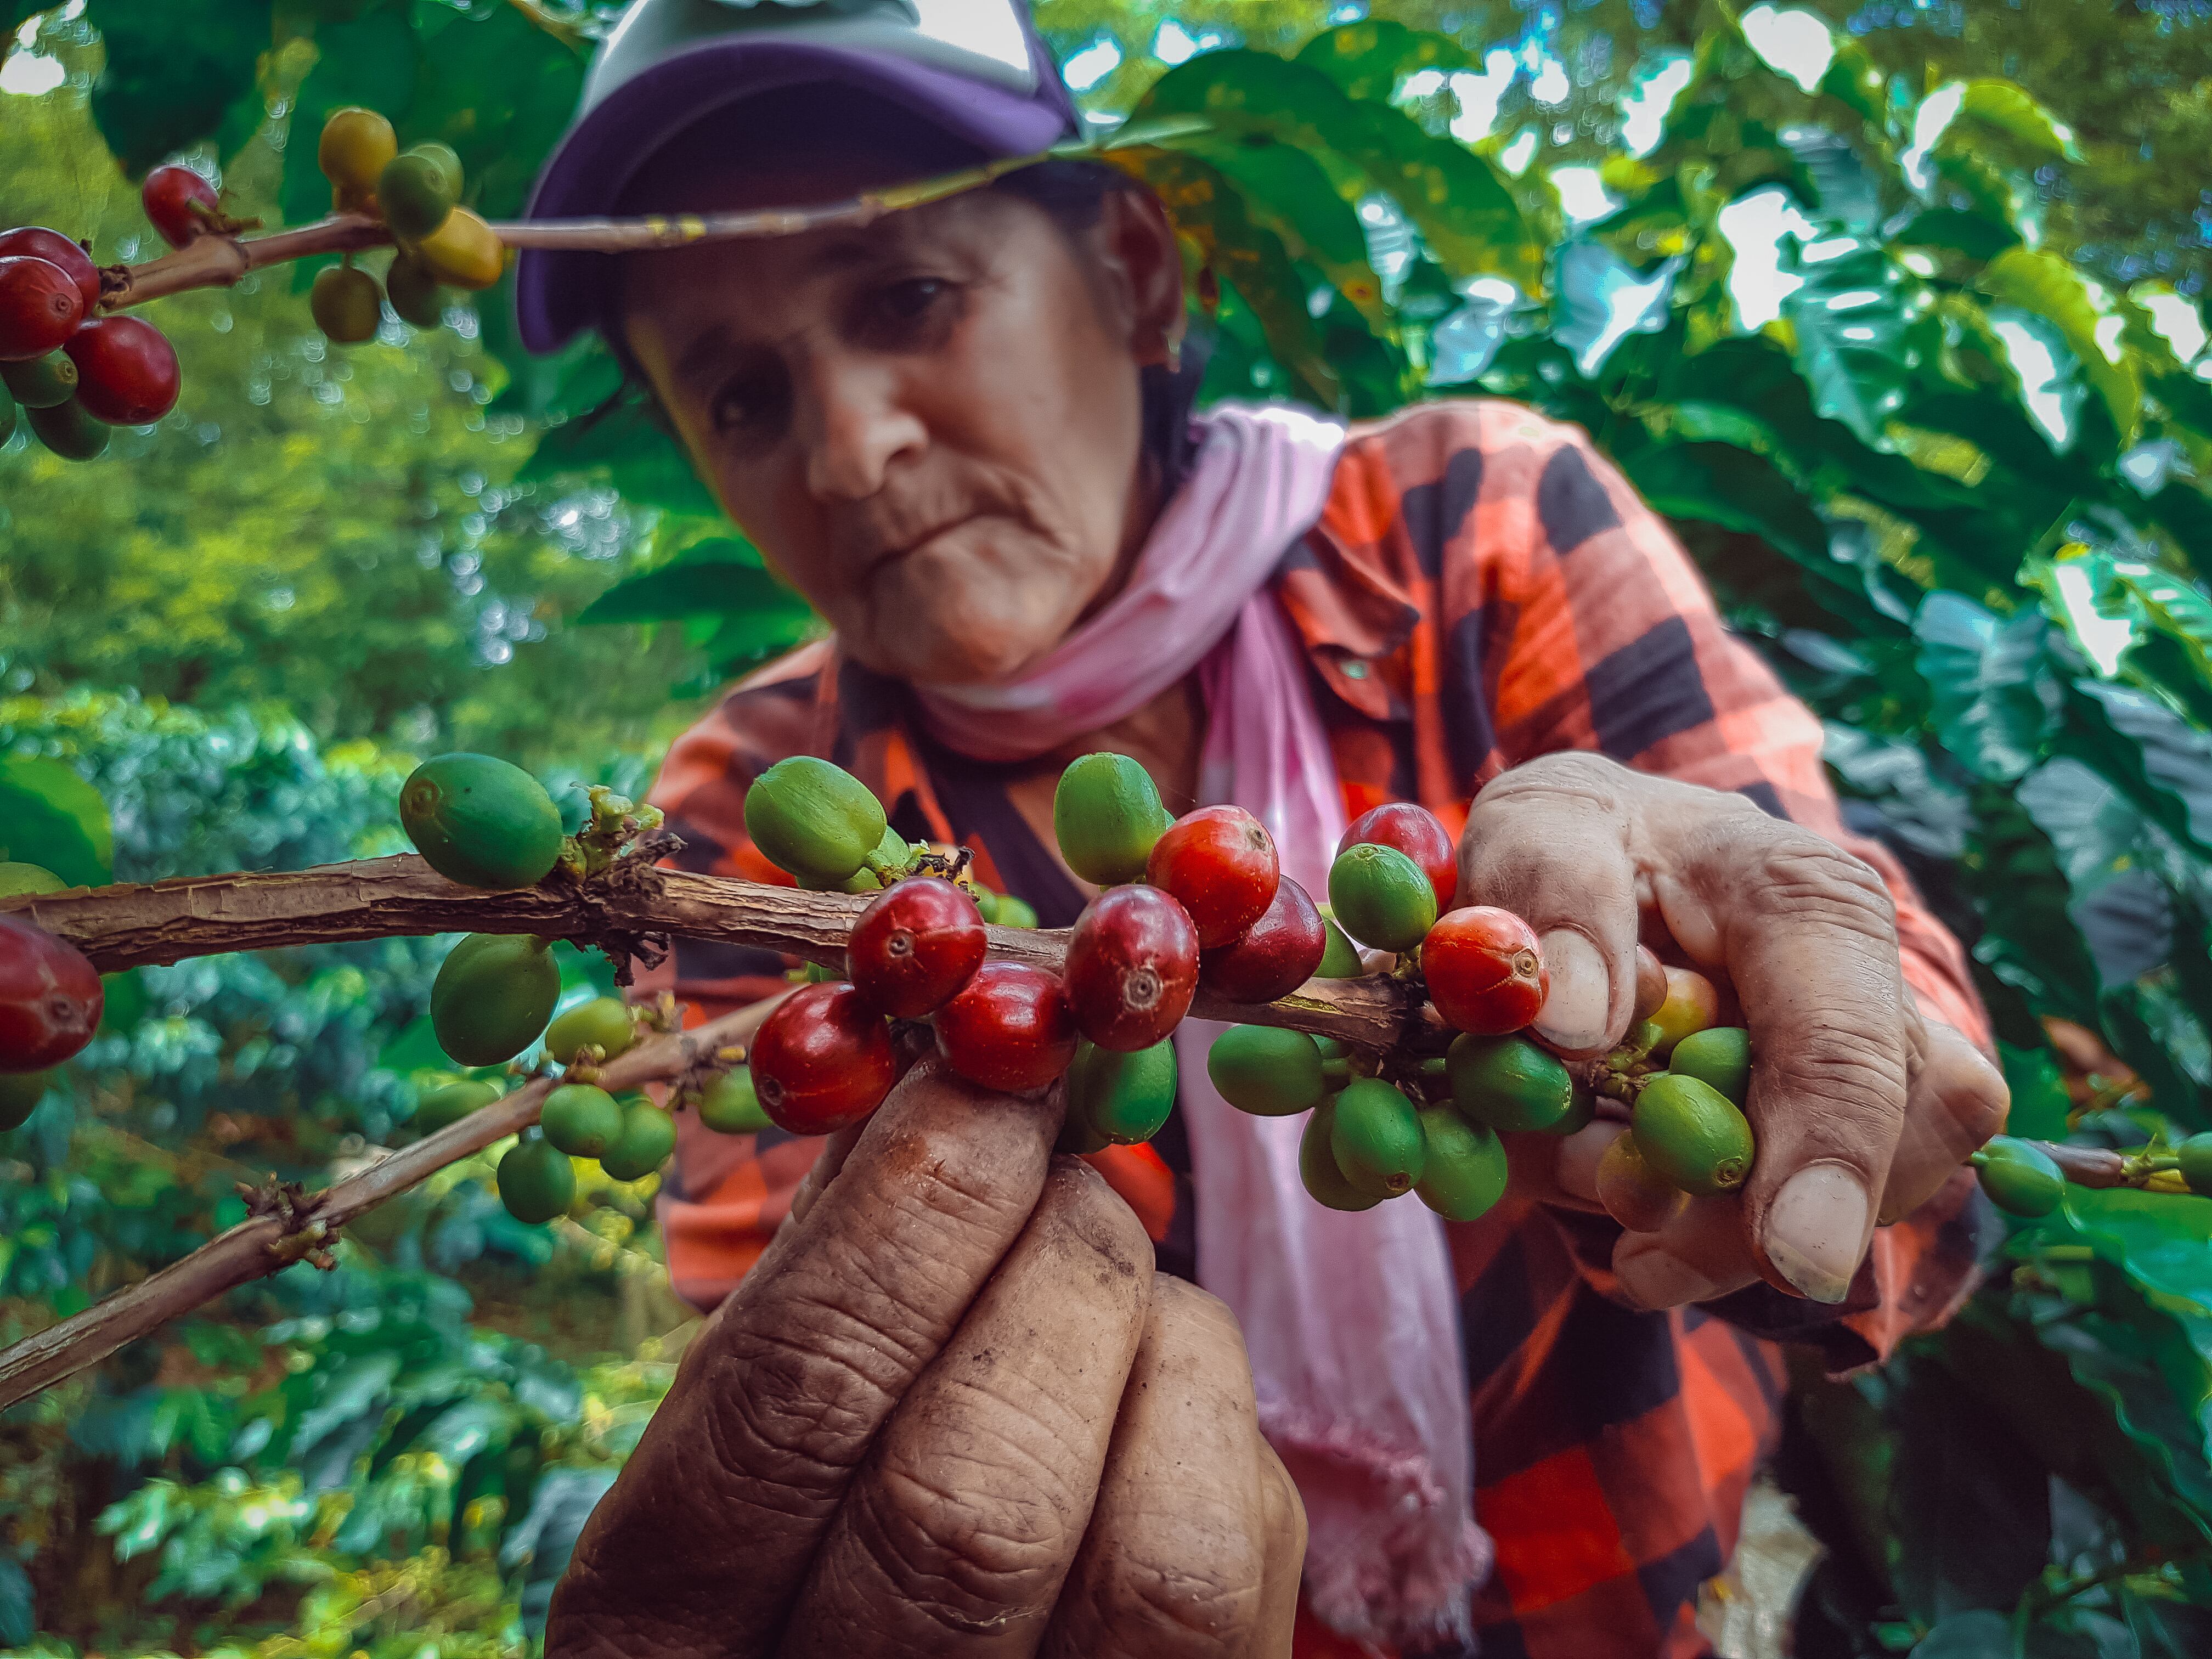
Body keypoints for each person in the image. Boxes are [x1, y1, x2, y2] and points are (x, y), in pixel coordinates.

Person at [513, 4, 2010, 1655]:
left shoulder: (1474, 529)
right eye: (741, 398)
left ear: (1137, 275)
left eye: (910, 298)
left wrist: (1823, 1066)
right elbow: (830, 1396)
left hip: (1646, 1594)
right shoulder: (738, 825)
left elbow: (1915, 1162)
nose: (853, 450)